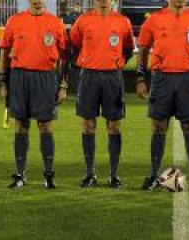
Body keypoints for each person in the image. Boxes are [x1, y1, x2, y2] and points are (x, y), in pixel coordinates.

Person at [136, 0, 189, 190]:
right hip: (161, 79)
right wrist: (140, 78)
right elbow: (143, 48)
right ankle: (154, 176)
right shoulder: (154, 19)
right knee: (158, 127)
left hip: (188, 78)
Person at [0, 0, 68, 189]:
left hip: (46, 77)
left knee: (45, 126)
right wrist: (3, 81)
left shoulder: (55, 23)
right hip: (19, 76)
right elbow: (4, 52)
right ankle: (20, 175)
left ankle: (49, 175)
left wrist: (63, 84)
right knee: (21, 125)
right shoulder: (14, 21)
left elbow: (64, 56)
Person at [69, 0, 134, 188]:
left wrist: (115, 62)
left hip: (112, 77)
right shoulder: (83, 21)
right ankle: (90, 174)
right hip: (88, 75)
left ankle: (114, 176)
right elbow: (74, 45)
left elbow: (128, 49)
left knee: (114, 126)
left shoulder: (123, 22)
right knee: (88, 125)